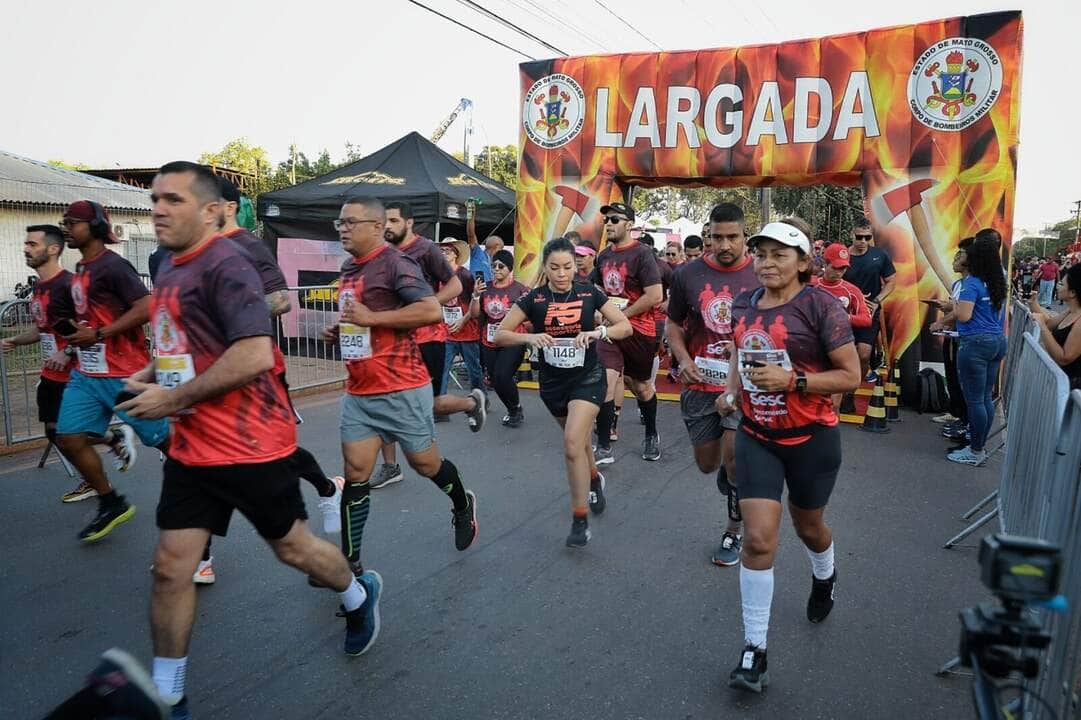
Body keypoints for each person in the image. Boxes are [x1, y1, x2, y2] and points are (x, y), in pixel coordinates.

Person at [115, 162, 379, 718]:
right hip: (192, 450)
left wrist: (172, 398)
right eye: (156, 199)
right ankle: (170, 693)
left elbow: (255, 353)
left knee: (294, 550)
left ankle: (358, 596)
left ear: (212, 210)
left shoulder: (227, 265)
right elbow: (182, 349)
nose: (159, 209)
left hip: (251, 445)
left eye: (174, 200)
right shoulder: (167, 270)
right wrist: (146, 378)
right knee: (170, 568)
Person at [715, 219, 860, 693]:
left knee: (809, 527)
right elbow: (740, 351)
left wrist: (795, 382)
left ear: (803, 262)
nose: (766, 263)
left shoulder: (822, 306)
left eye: (780, 254)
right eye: (760, 254)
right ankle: (754, 649)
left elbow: (850, 375)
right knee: (759, 540)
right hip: (758, 435)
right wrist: (732, 391)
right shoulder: (743, 303)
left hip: (812, 437)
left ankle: (825, 574)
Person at [195, 177, 345, 586]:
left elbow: (281, 300)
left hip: (255, 370)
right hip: (203, 376)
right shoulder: (186, 254)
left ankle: (326, 488)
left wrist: (228, 317)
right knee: (202, 459)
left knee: (268, 455)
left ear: (225, 207)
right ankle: (197, 555)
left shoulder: (247, 245)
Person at [326, 196, 479, 575]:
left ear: (377, 227)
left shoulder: (397, 263)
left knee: (426, 464)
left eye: (350, 222)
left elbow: (429, 310)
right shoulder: (348, 267)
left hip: (401, 388)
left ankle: (462, 505)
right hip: (359, 390)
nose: (343, 229)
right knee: (356, 471)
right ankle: (350, 565)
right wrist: (341, 329)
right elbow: (359, 318)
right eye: (339, 223)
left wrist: (372, 318)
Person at [495, 237, 631, 546]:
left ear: (576, 266)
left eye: (567, 267)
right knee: (579, 441)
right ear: (544, 267)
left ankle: (579, 518)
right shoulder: (533, 298)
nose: (561, 273)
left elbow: (625, 326)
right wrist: (530, 339)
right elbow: (501, 335)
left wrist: (599, 332)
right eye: (554, 267)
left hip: (587, 377)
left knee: (571, 443)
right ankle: (594, 478)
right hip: (553, 384)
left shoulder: (589, 293)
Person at [53, 200, 170, 543]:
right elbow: (91, 320)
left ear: (95, 226)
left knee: (169, 444)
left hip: (123, 374)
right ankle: (111, 502)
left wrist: (100, 334)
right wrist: (75, 339)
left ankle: (210, 490)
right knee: (68, 436)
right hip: (87, 375)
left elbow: (148, 306)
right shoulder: (80, 269)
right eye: (65, 222)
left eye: (73, 222)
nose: (66, 228)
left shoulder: (113, 266)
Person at [666, 203, 760, 568]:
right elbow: (673, 325)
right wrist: (684, 360)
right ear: (708, 235)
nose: (724, 244)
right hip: (699, 383)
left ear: (744, 237)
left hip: (745, 387)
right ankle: (726, 467)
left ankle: (733, 531)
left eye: (732, 237)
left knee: (736, 458)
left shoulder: (760, 274)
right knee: (708, 463)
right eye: (717, 237)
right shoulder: (687, 274)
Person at [373, 201, 485, 489]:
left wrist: (425, 306)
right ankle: (390, 466)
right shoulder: (382, 252)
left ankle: (472, 402)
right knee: (386, 399)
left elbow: (456, 288)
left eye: (393, 221)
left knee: (433, 403)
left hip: (428, 338)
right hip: (393, 339)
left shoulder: (426, 250)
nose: (387, 227)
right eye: (384, 221)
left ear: (408, 222)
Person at [0, 225, 86, 501]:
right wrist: (16, 340)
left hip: (74, 374)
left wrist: (68, 351)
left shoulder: (69, 284)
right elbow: (42, 328)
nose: (26, 248)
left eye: (32, 244)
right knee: (53, 431)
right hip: (50, 373)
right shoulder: (40, 287)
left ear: (53, 249)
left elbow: (89, 325)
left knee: (68, 433)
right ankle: (96, 471)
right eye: (25, 244)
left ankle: (101, 470)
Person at [592, 202, 663, 463]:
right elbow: (599, 290)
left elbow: (655, 295)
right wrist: (601, 312)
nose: (608, 224)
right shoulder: (603, 256)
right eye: (606, 220)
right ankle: (604, 445)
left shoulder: (642, 254)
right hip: (610, 332)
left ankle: (652, 434)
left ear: (629, 225)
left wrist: (622, 315)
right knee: (606, 381)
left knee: (640, 386)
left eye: (614, 219)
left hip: (638, 331)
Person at [944, 237, 1007, 466]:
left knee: (975, 401)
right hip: (997, 342)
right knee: (985, 398)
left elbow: (964, 316)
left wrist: (953, 306)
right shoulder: (996, 282)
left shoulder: (971, 284)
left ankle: (975, 450)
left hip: (976, 344)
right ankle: (978, 446)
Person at [471, 249, 530, 427]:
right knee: (495, 380)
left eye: (501, 266)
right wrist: (475, 295)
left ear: (509, 269)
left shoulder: (520, 289)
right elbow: (475, 314)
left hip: (513, 338)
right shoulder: (485, 287)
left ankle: (516, 408)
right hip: (490, 340)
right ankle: (513, 409)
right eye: (494, 266)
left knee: (503, 375)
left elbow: (531, 315)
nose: (496, 269)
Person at [813, 243, 871, 411]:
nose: (839, 272)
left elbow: (866, 320)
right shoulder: (811, 286)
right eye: (836, 267)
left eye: (843, 269)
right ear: (825, 264)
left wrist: (844, 317)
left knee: (833, 404)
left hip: (839, 348)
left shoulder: (851, 290)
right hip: (813, 349)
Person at [929, 238, 976, 442]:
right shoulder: (959, 283)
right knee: (953, 378)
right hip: (953, 336)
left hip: (964, 339)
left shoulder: (973, 284)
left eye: (961, 254)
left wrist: (945, 317)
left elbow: (961, 311)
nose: (956, 258)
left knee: (966, 385)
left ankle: (968, 426)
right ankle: (959, 417)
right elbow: (955, 307)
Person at [845, 218, 896, 382]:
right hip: (844, 312)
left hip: (869, 311)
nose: (863, 241)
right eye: (859, 237)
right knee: (843, 354)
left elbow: (891, 281)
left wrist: (877, 301)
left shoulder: (880, 255)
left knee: (864, 354)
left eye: (867, 237)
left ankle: (852, 389)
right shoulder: (843, 255)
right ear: (851, 234)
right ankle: (844, 387)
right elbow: (832, 281)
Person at [438, 237, 485, 401]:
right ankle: (441, 405)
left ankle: (480, 399)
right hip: (447, 332)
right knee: (442, 368)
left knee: (474, 370)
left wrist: (462, 321)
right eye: (441, 250)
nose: (444, 253)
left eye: (447, 250)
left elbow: (474, 303)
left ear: (455, 254)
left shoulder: (464, 276)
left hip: (467, 333)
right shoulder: (438, 275)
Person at [1029, 264, 1081, 389]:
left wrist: (1042, 326)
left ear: (1072, 293)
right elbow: (1049, 323)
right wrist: (1033, 303)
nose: (1057, 286)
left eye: (1062, 284)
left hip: (1072, 387)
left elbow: (1064, 357)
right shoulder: (1071, 312)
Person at [463, 199, 493, 282]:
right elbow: (471, 234)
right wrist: (471, 216)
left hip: (489, 294)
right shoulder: (478, 253)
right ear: (496, 246)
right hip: (475, 291)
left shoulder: (496, 265)